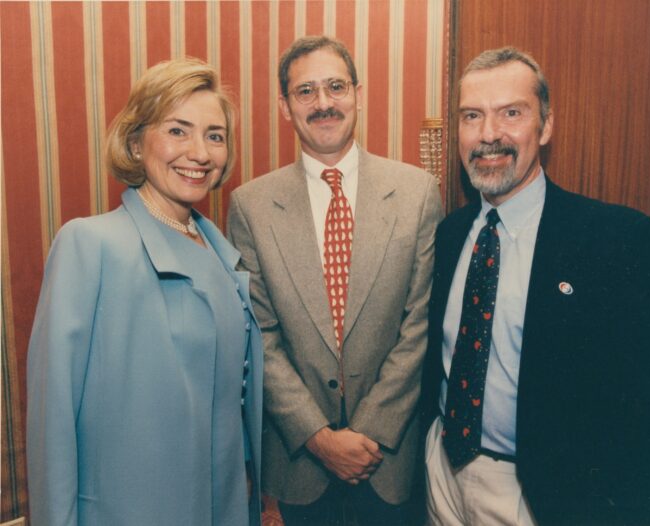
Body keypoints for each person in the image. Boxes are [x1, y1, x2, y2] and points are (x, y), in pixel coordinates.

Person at [421, 46, 650, 525]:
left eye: (511, 113)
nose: (489, 134)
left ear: (546, 126)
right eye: (472, 116)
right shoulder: (450, 234)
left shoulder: (615, 240)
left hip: (540, 496)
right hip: (441, 475)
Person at [26, 58, 263, 526]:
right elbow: (52, 418)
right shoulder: (89, 245)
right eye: (178, 130)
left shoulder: (221, 253)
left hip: (222, 507)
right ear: (136, 143)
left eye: (214, 135)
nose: (199, 152)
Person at [227, 36, 442, 525]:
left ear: (358, 94)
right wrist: (321, 439)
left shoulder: (417, 193)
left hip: (388, 460)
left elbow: (418, 328)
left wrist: (366, 435)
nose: (323, 103)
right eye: (306, 91)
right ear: (285, 107)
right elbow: (259, 335)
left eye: (336, 87)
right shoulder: (250, 206)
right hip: (302, 462)